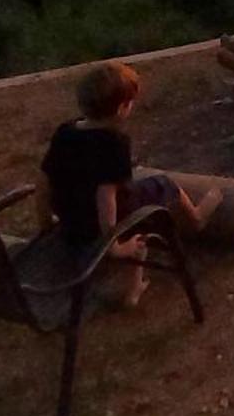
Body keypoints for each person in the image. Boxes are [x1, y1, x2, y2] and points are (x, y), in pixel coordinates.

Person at [36, 60, 220, 307]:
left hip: (70, 219)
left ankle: (134, 289)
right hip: (100, 225)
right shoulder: (114, 143)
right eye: (131, 102)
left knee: (132, 205)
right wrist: (114, 246)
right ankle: (197, 217)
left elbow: (43, 180)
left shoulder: (66, 132)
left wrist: (46, 222)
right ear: (122, 108)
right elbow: (106, 198)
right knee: (163, 184)